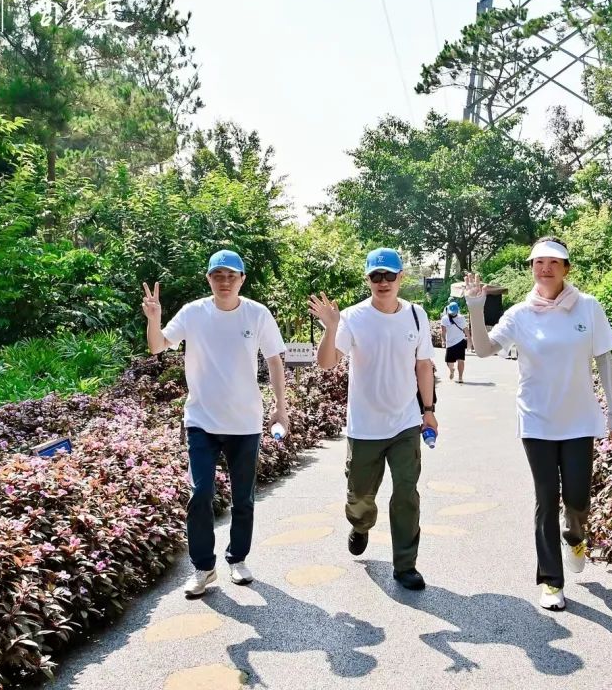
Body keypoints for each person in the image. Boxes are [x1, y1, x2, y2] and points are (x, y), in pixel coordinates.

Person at [463, 237, 612, 612]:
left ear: (566, 268)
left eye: (554, 262)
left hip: (579, 419)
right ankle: (551, 580)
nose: (546, 268)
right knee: (546, 497)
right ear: (532, 268)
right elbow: (484, 349)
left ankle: (575, 534)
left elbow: (605, 360)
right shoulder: (520, 314)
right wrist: (476, 308)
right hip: (537, 419)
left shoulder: (588, 307)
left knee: (578, 499)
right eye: (539, 262)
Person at [142, 249, 289, 598]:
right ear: (209, 279)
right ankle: (204, 568)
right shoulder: (193, 312)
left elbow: (274, 360)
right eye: (218, 275)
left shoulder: (257, 313)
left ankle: (237, 558)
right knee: (200, 493)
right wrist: (154, 318)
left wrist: (281, 408)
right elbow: (157, 346)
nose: (225, 281)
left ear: (242, 279)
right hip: (201, 421)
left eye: (231, 276)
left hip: (245, 422)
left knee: (243, 498)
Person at [308, 247, 438, 590]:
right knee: (361, 498)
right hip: (364, 427)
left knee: (406, 492)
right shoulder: (353, 317)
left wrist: (428, 411)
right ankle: (361, 525)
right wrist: (330, 327)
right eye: (376, 276)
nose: (383, 282)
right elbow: (327, 363)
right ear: (368, 279)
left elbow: (423, 366)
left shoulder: (416, 315)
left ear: (401, 278)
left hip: (405, 424)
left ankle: (405, 565)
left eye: (389, 275)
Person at [440, 301, 468, 383]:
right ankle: (451, 370)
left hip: (460, 341)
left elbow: (466, 329)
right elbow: (443, 331)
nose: (453, 313)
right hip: (450, 343)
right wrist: (443, 341)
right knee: (449, 362)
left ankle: (460, 377)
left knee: (461, 360)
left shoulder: (461, 318)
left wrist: (469, 339)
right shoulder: (445, 319)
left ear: (457, 310)